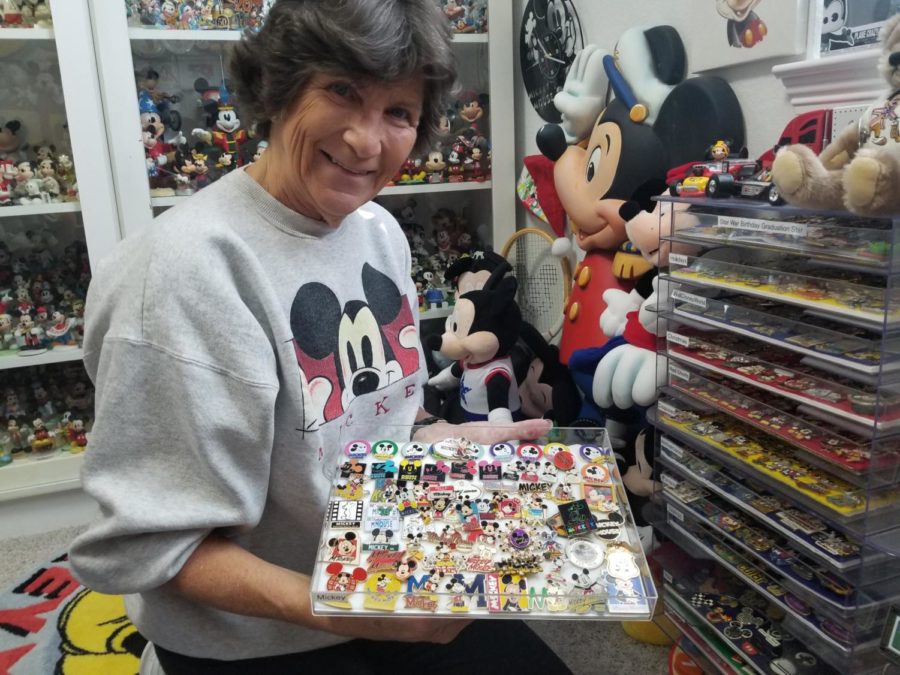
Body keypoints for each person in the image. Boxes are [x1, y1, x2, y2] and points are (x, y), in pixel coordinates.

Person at [69, 2, 570, 674]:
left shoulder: (378, 233)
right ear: (278, 89)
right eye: (342, 91)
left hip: (380, 563)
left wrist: (437, 445)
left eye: (399, 112)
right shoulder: (180, 275)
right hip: (257, 635)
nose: (368, 141)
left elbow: (349, 424)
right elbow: (151, 544)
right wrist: (337, 605)